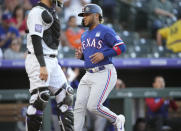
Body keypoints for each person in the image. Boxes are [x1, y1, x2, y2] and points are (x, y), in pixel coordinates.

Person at [74, 4, 126, 131]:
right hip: (88, 74)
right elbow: (90, 57)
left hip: (104, 72)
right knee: (78, 106)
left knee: (93, 106)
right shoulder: (84, 35)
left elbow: (121, 47)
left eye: (87, 14)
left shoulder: (105, 30)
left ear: (96, 15)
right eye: (83, 15)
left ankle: (117, 119)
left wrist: (104, 54)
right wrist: (82, 57)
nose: (84, 17)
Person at [25, 0, 74, 131]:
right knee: (40, 98)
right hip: (38, 59)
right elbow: (36, 39)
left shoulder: (52, 11)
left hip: (53, 60)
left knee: (66, 96)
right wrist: (42, 65)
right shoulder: (37, 12)